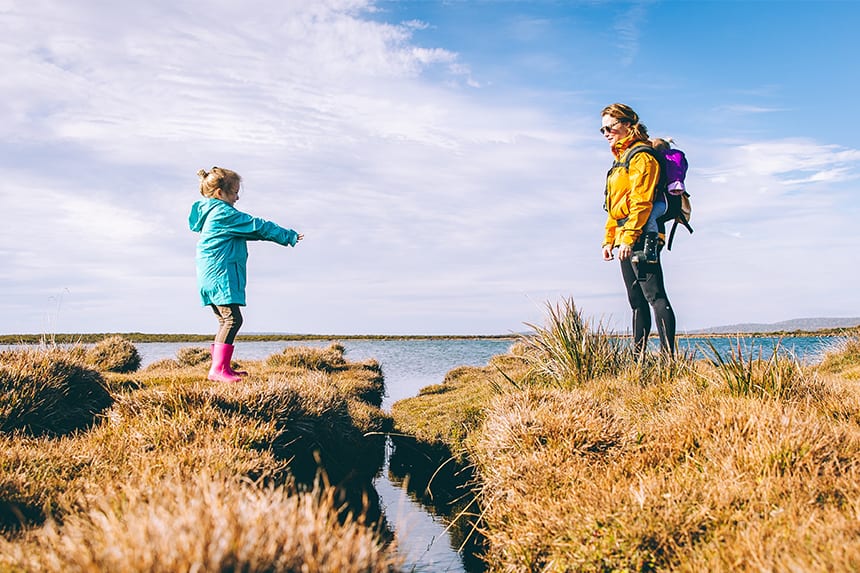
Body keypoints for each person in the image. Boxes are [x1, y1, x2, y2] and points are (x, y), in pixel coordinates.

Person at [189, 167, 304, 382]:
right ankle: (218, 370)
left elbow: (252, 232)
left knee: (225, 320)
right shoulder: (224, 213)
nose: (237, 196)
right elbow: (257, 226)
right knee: (232, 319)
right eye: (233, 192)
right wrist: (288, 235)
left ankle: (222, 368)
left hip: (209, 276)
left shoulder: (211, 213)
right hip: (220, 274)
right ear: (220, 194)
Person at [600, 104, 676, 356]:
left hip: (642, 234)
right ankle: (637, 359)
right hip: (624, 236)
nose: (606, 133)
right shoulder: (619, 160)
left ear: (628, 124)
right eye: (602, 129)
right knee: (636, 301)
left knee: (655, 296)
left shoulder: (641, 157)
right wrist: (609, 240)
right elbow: (614, 207)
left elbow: (641, 202)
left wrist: (630, 239)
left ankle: (669, 361)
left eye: (610, 127)